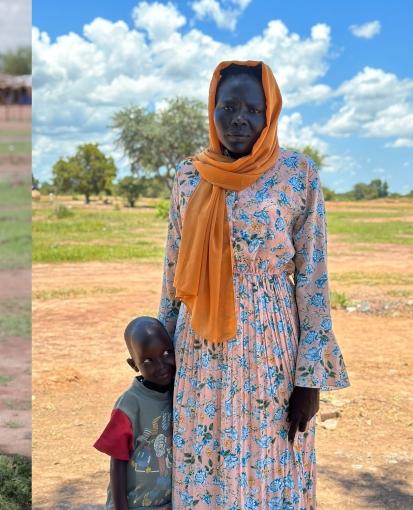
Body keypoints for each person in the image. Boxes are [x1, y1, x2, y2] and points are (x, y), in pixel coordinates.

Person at [158, 60, 349, 509]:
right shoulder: (191, 176)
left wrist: (310, 378)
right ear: (213, 111)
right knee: (203, 453)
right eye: (228, 107)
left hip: (272, 347)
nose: (239, 118)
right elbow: (172, 269)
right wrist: (159, 344)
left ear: (270, 114)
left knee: (272, 457)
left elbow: (313, 279)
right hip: (199, 346)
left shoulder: (298, 175)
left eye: (252, 108)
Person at [94, 316, 174, 510]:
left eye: (166, 353)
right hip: (133, 505)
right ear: (133, 365)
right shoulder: (130, 404)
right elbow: (117, 461)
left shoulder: (180, 393)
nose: (161, 365)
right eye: (148, 360)